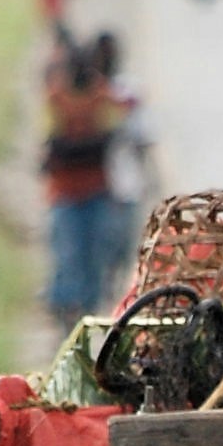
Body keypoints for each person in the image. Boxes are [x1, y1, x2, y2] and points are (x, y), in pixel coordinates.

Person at [40, 46, 124, 333]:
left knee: (94, 256)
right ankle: (65, 312)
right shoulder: (55, 98)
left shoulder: (101, 96)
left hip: (95, 192)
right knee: (68, 256)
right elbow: (53, 142)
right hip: (65, 193)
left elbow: (111, 134)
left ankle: (86, 315)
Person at [89, 30, 151, 295]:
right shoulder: (88, 93)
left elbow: (142, 139)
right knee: (100, 252)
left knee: (122, 253)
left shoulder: (126, 92)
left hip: (125, 185)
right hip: (99, 187)